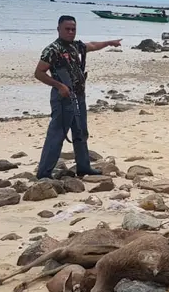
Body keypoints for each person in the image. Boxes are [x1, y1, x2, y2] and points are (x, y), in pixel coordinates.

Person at [34, 15, 122, 179]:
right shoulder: (52, 50)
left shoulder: (76, 46)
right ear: (58, 29)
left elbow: (93, 45)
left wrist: (110, 42)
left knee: (81, 133)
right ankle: (44, 173)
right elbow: (38, 73)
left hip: (79, 96)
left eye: (73, 29)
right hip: (63, 99)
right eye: (67, 29)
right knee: (57, 135)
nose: (70, 32)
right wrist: (59, 86)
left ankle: (83, 167)